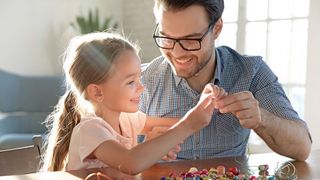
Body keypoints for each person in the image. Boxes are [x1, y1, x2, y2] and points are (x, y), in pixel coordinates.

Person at [139, 0, 312, 161]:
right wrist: (142, 150)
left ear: (217, 29)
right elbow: (115, 156)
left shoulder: (251, 72)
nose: (177, 53)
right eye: (166, 38)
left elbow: (302, 149)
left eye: (190, 40)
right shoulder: (141, 81)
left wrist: (262, 119)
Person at [41, 32, 227, 175]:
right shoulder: (90, 130)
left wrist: (206, 105)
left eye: (139, 78)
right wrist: (187, 126)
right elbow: (129, 162)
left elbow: (169, 125)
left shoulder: (127, 119)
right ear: (97, 92)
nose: (141, 88)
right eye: (131, 82)